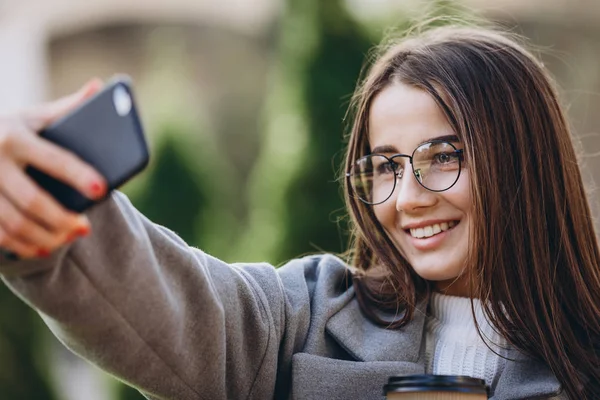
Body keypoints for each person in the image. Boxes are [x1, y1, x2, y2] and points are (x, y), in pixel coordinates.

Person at [0, 22, 598, 400]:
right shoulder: (305, 317)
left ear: (524, 159)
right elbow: (172, 303)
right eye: (385, 166)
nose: (410, 197)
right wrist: (40, 201)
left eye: (443, 156)